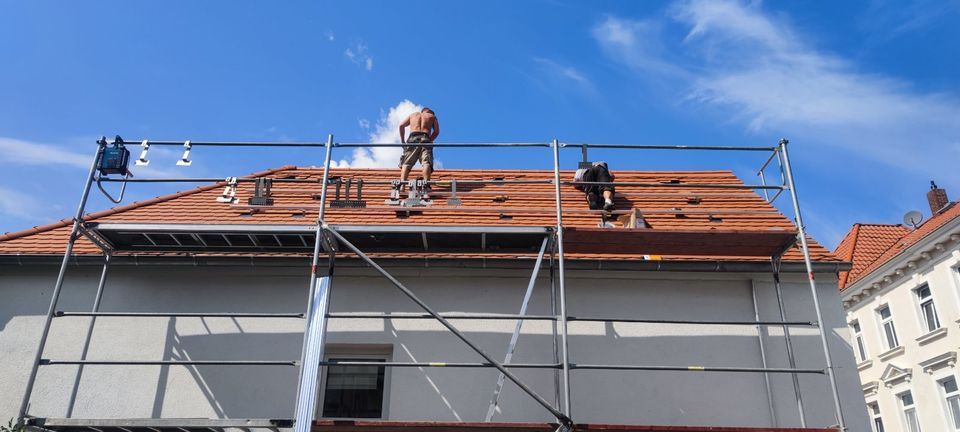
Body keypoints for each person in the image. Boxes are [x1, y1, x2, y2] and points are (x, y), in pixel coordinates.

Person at [398, 107, 440, 197]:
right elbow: (436, 131)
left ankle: (402, 185)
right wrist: (429, 140)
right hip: (425, 138)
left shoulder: (413, 115)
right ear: (430, 112)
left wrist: (402, 142)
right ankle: (426, 185)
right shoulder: (432, 116)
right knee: (426, 162)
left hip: (412, 138)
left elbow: (401, 125)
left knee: (406, 163)